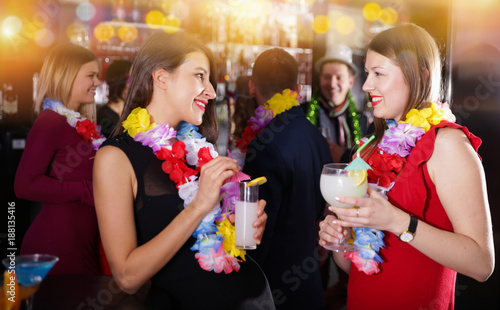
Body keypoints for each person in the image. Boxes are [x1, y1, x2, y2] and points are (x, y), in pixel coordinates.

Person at [318, 23, 494, 309]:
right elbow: (356, 268)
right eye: (366, 74)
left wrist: (398, 222)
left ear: (419, 75)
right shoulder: (368, 149)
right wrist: (341, 238)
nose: (366, 86)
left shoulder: (446, 144)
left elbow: (482, 264)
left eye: (379, 74)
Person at [93, 31, 274, 309]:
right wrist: (199, 205)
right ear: (162, 77)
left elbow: (212, 235)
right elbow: (127, 277)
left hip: (251, 297)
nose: (212, 92)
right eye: (200, 76)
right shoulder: (115, 158)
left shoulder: (198, 149)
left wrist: (236, 227)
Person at [237, 48, 332, 309]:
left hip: (273, 287)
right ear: (298, 89)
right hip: (309, 281)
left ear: (252, 86)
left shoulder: (264, 144)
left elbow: (255, 232)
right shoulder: (316, 136)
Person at [14, 43, 104, 274]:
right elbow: (24, 185)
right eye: (91, 76)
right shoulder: (50, 122)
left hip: (82, 242)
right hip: (58, 245)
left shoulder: (79, 124)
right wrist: (86, 190)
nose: (97, 83)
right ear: (67, 77)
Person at [304, 43, 372, 163]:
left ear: (351, 82)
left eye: (339, 77)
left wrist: (343, 156)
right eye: (327, 77)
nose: (332, 84)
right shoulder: (303, 114)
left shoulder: (363, 121)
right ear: (320, 79)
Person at [97, 59, 132, 138]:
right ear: (118, 81)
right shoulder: (104, 116)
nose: (136, 84)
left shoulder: (137, 110)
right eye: (130, 79)